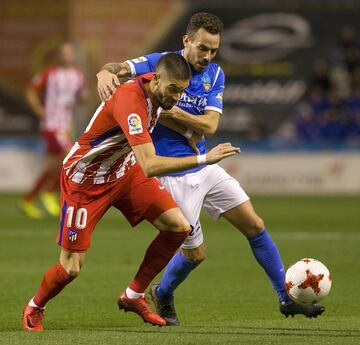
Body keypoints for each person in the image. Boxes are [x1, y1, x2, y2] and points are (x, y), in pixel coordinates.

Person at [96, 12, 326, 326]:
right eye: (202, 48)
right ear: (186, 41)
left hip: (206, 165)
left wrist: (167, 108)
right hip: (171, 173)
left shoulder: (215, 74)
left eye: (213, 50)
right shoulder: (159, 63)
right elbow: (116, 70)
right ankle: (162, 293)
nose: (207, 56)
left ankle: (285, 298)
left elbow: (210, 125)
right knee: (195, 254)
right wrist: (103, 73)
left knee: (254, 225)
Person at [23, 52, 239, 331]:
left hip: (123, 172)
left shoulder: (159, 88)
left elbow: (156, 102)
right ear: (157, 79)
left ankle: (133, 295)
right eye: (173, 89)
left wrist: (187, 134)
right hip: (85, 180)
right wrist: (204, 158)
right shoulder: (130, 101)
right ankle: (34, 306)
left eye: (181, 92)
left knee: (178, 228)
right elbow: (149, 165)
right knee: (70, 268)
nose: (175, 97)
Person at [20, 42, 87, 219]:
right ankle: (49, 192)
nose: (67, 56)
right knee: (70, 158)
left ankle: (28, 200)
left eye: (70, 53)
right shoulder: (50, 73)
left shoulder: (77, 75)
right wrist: (38, 109)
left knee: (54, 165)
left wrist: (82, 98)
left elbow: (78, 97)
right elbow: (30, 90)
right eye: (64, 53)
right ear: (58, 56)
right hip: (52, 125)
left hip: (65, 125)